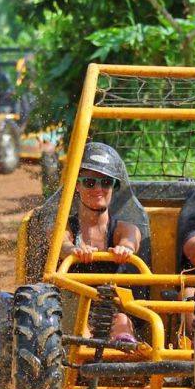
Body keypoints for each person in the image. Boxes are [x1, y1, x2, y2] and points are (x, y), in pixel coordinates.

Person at [59, 142, 140, 343]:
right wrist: (74, 250)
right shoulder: (66, 226)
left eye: (106, 183)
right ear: (76, 185)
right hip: (72, 307)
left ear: (114, 187)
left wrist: (125, 249)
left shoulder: (123, 228)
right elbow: (62, 244)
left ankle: (123, 368)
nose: (98, 189)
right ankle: (80, 368)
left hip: (109, 307)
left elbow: (132, 239)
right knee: (81, 331)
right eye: (89, 182)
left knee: (122, 321)